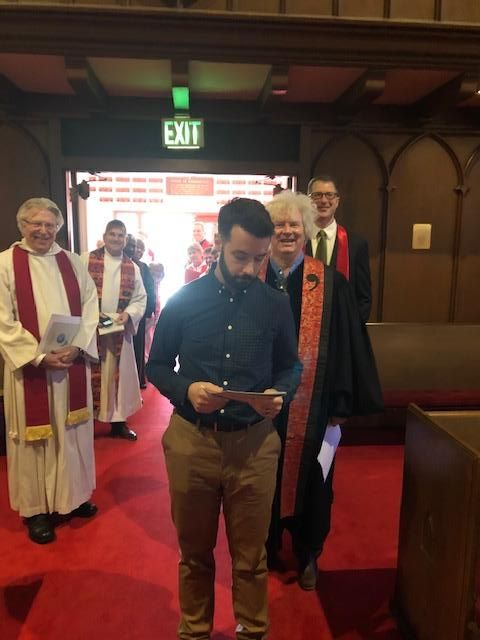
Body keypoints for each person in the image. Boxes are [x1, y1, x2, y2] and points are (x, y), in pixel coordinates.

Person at [146, 198, 301, 640]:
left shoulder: (275, 304)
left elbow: (290, 366)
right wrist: (186, 390)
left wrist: (280, 393)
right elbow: (156, 365)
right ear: (218, 242)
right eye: (240, 256)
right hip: (192, 442)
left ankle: (252, 630)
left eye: (259, 258)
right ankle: (195, 631)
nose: (250, 268)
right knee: (194, 553)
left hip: (254, 444)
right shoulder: (184, 300)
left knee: (251, 557)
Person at [264, 190, 383, 589]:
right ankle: (266, 546)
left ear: (306, 230)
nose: (286, 231)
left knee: (315, 477)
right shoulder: (253, 278)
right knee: (262, 476)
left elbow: (347, 346)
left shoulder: (331, 283)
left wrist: (340, 403)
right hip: (262, 407)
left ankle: (308, 550)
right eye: (279, 224)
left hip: (313, 406)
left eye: (294, 224)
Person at [0, 197, 99, 544]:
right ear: (22, 226)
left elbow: (90, 306)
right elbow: (3, 320)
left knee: (73, 433)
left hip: (70, 365)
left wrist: (77, 346)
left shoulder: (72, 262)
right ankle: (36, 510)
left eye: (50, 225)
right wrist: (39, 357)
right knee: (35, 441)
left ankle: (74, 496)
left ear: (58, 227)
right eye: (36, 224)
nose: (43, 230)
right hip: (32, 371)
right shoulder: (5, 264)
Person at [82, 220, 146, 441]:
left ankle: (118, 423)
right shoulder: (85, 259)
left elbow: (140, 298)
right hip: (91, 330)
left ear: (125, 239)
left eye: (121, 235)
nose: (116, 239)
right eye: (113, 234)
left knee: (118, 378)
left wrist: (128, 314)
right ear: (105, 236)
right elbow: (76, 290)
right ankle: (86, 423)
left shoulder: (132, 267)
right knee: (89, 376)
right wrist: (89, 315)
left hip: (118, 330)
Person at [306, 174, 372, 323]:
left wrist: (352, 329)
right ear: (308, 201)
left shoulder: (356, 244)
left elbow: (364, 298)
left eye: (329, 195)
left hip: (342, 326)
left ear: (337, 201)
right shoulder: (298, 241)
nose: (324, 200)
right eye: (317, 195)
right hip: (303, 327)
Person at [125, 236, 156, 389]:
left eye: (135, 246)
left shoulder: (142, 267)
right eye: (130, 245)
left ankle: (138, 380)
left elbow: (149, 289)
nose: (132, 249)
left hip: (138, 315)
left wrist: (148, 311)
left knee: (138, 349)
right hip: (118, 316)